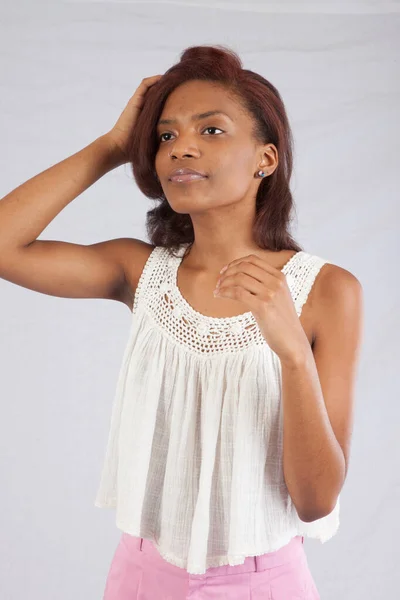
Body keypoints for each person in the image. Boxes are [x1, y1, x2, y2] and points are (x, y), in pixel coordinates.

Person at [0, 45, 363, 599]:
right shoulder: (137, 271)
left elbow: (316, 500)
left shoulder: (328, 291)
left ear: (266, 158)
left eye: (211, 130)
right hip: (140, 578)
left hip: (264, 584)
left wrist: (291, 352)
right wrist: (111, 147)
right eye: (165, 135)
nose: (181, 148)